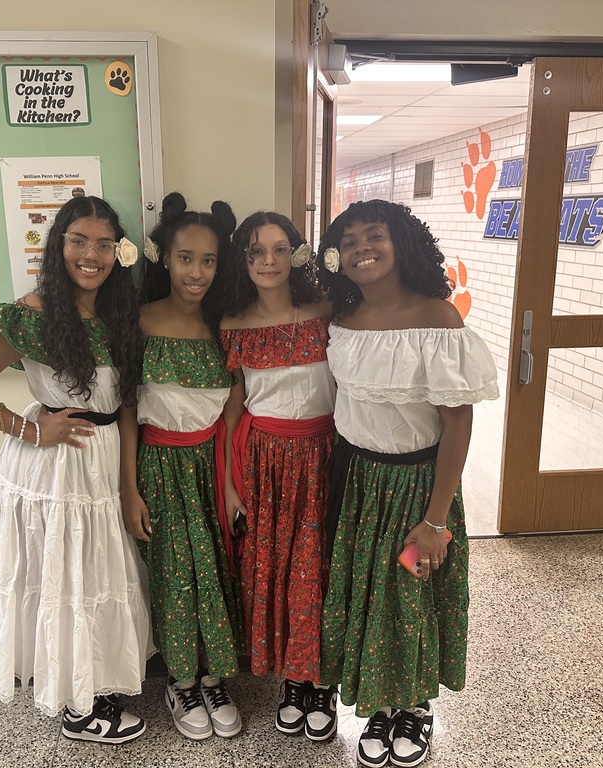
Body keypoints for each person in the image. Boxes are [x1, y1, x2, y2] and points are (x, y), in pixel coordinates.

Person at [0, 196, 153, 745]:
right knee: (66, 577)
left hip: (104, 462)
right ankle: (76, 705)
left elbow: (126, 406)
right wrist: (31, 429)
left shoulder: (120, 314)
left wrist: (130, 489)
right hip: (58, 469)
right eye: (79, 241)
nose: (92, 254)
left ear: (118, 253)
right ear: (58, 247)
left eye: (104, 244)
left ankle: (94, 684)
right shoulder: (29, 314)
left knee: (98, 572)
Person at [316, 200, 498, 768]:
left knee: (412, 590)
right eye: (349, 241)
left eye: (376, 236)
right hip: (360, 481)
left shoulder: (436, 318)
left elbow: (457, 422)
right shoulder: (341, 320)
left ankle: (414, 708)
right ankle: (378, 705)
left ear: (403, 245)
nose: (362, 248)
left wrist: (437, 518)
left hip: (419, 486)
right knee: (372, 593)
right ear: (336, 257)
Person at [119, 192, 244, 742]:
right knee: (174, 577)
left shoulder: (227, 325)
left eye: (209, 260)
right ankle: (181, 680)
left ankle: (214, 676)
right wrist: (129, 489)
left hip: (212, 463)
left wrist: (232, 479)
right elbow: (125, 410)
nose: (197, 272)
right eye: (186, 257)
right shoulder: (139, 323)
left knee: (216, 571)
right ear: (164, 258)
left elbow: (240, 398)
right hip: (160, 466)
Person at [218, 211, 338, 741]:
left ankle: (322, 684)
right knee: (276, 571)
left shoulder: (326, 314)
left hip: (325, 456)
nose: (268, 260)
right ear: (243, 261)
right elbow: (231, 411)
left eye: (278, 249)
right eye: (255, 251)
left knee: (321, 570)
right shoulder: (232, 325)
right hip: (263, 461)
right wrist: (228, 485)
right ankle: (292, 680)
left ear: (297, 254)